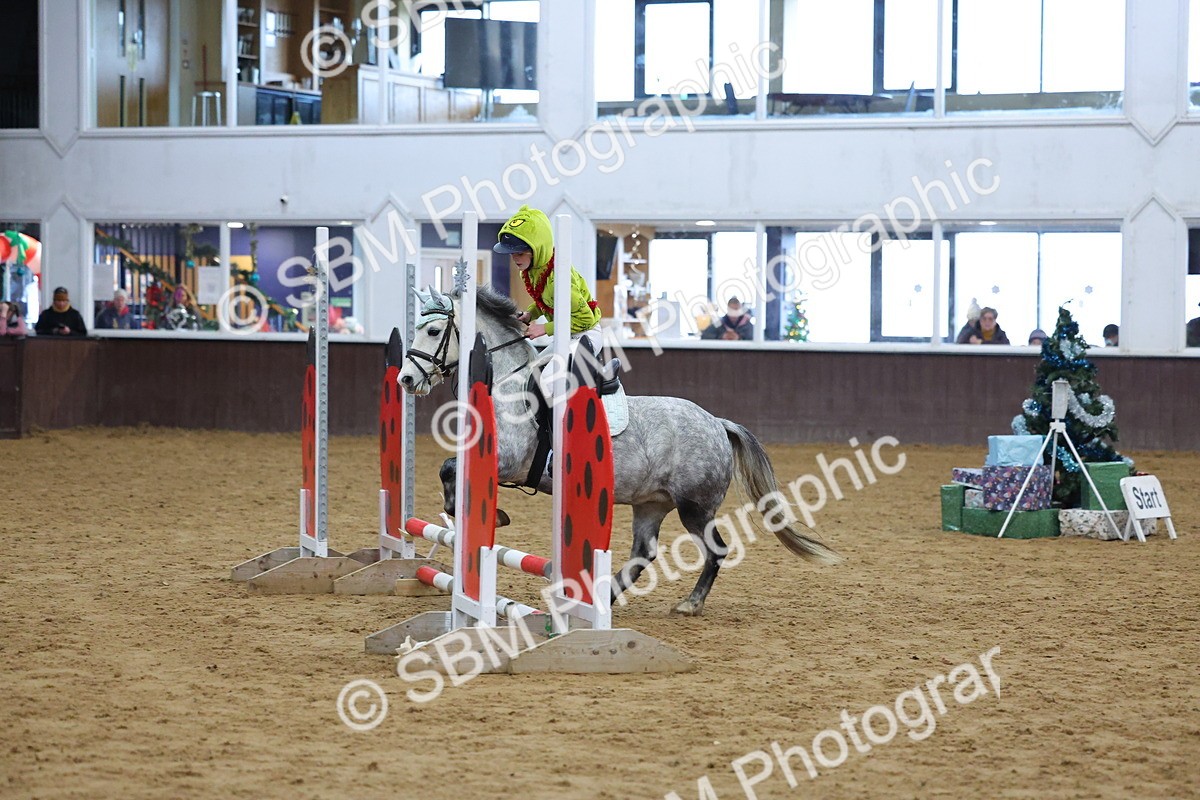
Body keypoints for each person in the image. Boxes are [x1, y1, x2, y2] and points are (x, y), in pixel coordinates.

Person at [492, 205, 602, 348]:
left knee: (554, 365)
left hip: (586, 335)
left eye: (520, 253)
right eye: (512, 253)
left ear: (538, 250)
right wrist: (530, 314)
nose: (515, 258)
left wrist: (544, 328)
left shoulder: (558, 278)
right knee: (536, 363)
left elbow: (586, 320)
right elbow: (546, 302)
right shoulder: (529, 272)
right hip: (565, 336)